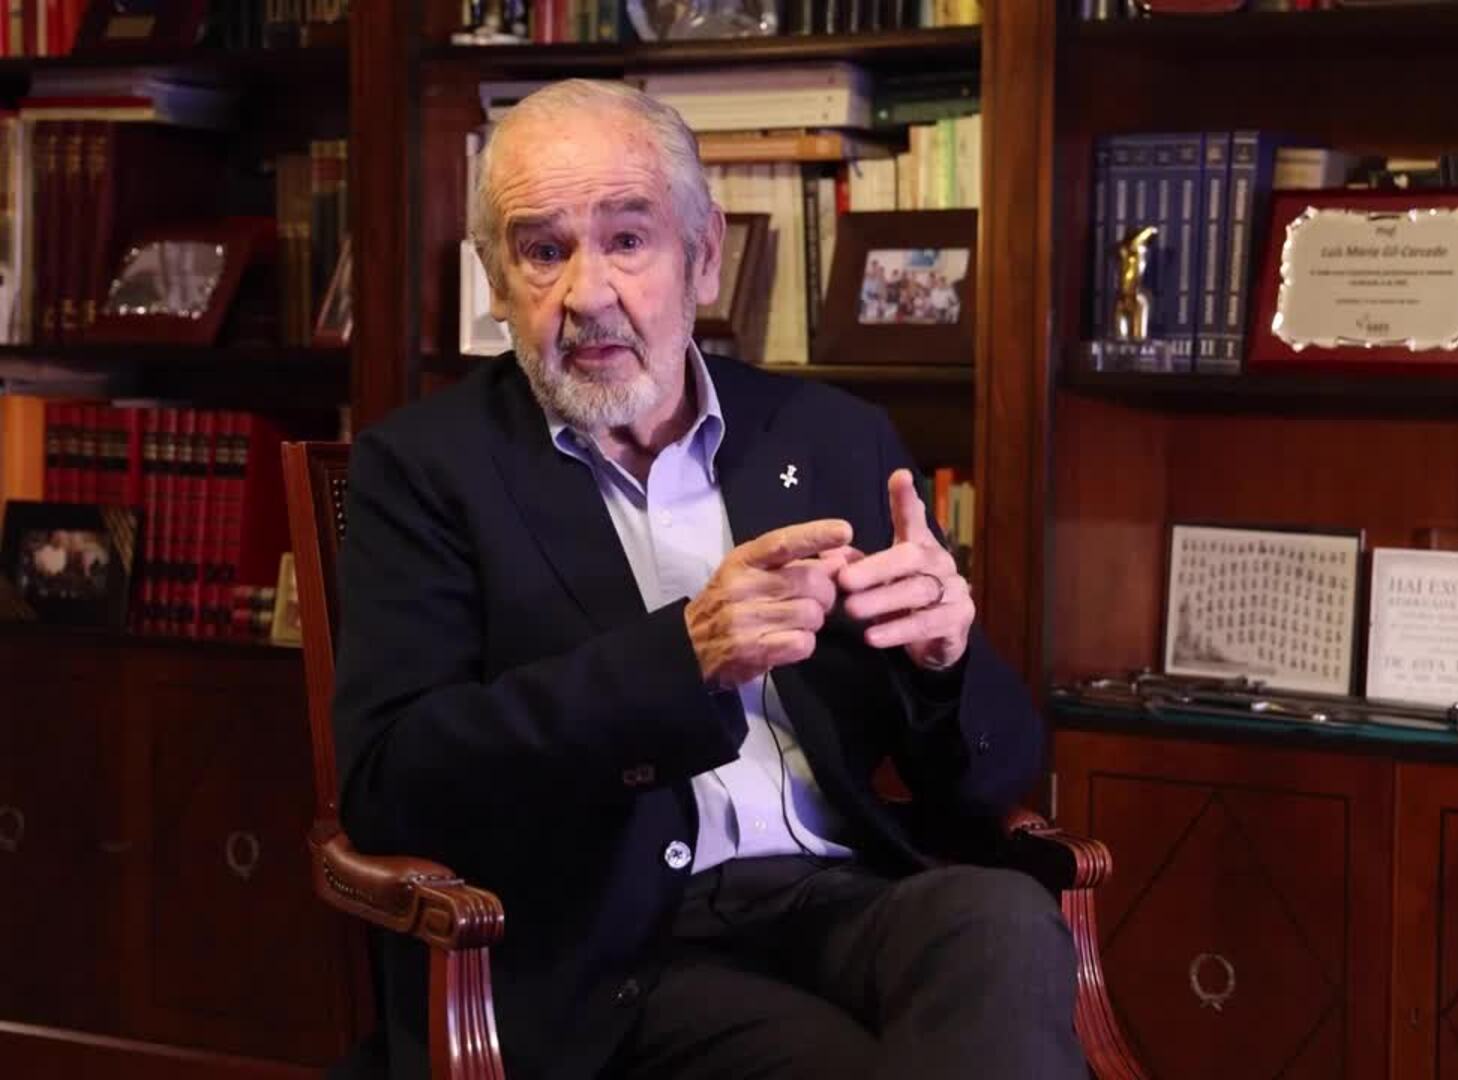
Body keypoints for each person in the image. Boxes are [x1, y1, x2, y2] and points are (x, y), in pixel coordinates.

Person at [330, 79, 1081, 1080]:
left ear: (704, 255)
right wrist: (678, 660)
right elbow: (392, 783)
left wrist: (946, 664)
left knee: (1003, 917)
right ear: (497, 283)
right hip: (611, 953)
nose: (588, 294)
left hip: (836, 898)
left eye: (628, 240)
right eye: (543, 251)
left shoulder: (830, 437)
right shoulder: (426, 469)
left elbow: (989, 779)